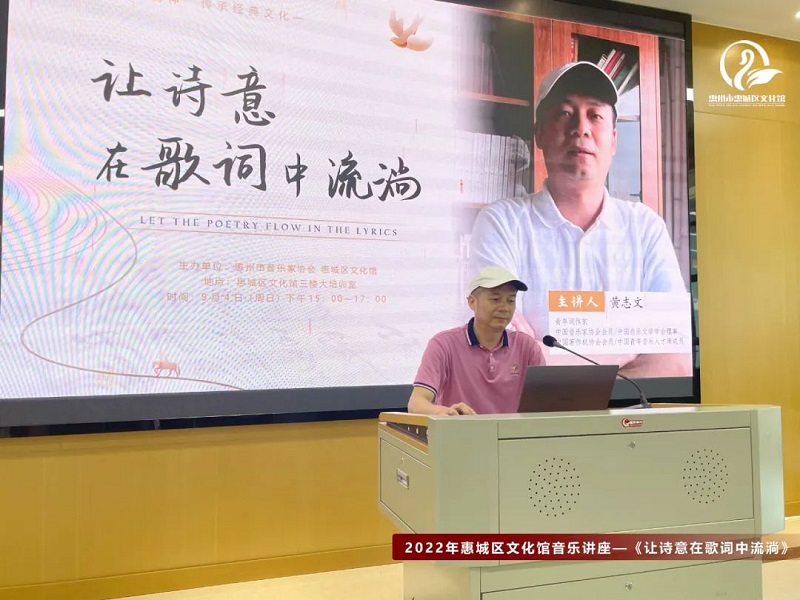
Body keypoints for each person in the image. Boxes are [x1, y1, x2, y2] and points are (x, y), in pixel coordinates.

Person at [469, 61, 690, 377]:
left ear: (614, 139)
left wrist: (544, 359)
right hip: (534, 415)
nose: (581, 128)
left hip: (628, 415)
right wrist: (626, 356)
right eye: (565, 113)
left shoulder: (645, 228)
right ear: (539, 133)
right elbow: (500, 357)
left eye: (595, 115)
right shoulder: (502, 223)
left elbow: (676, 361)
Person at [407, 266, 546, 415]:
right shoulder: (443, 345)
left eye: (511, 300)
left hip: (514, 430)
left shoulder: (527, 347)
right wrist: (446, 413)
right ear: (472, 302)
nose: (505, 308)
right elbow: (416, 403)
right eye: (495, 299)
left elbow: (546, 401)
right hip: (461, 429)